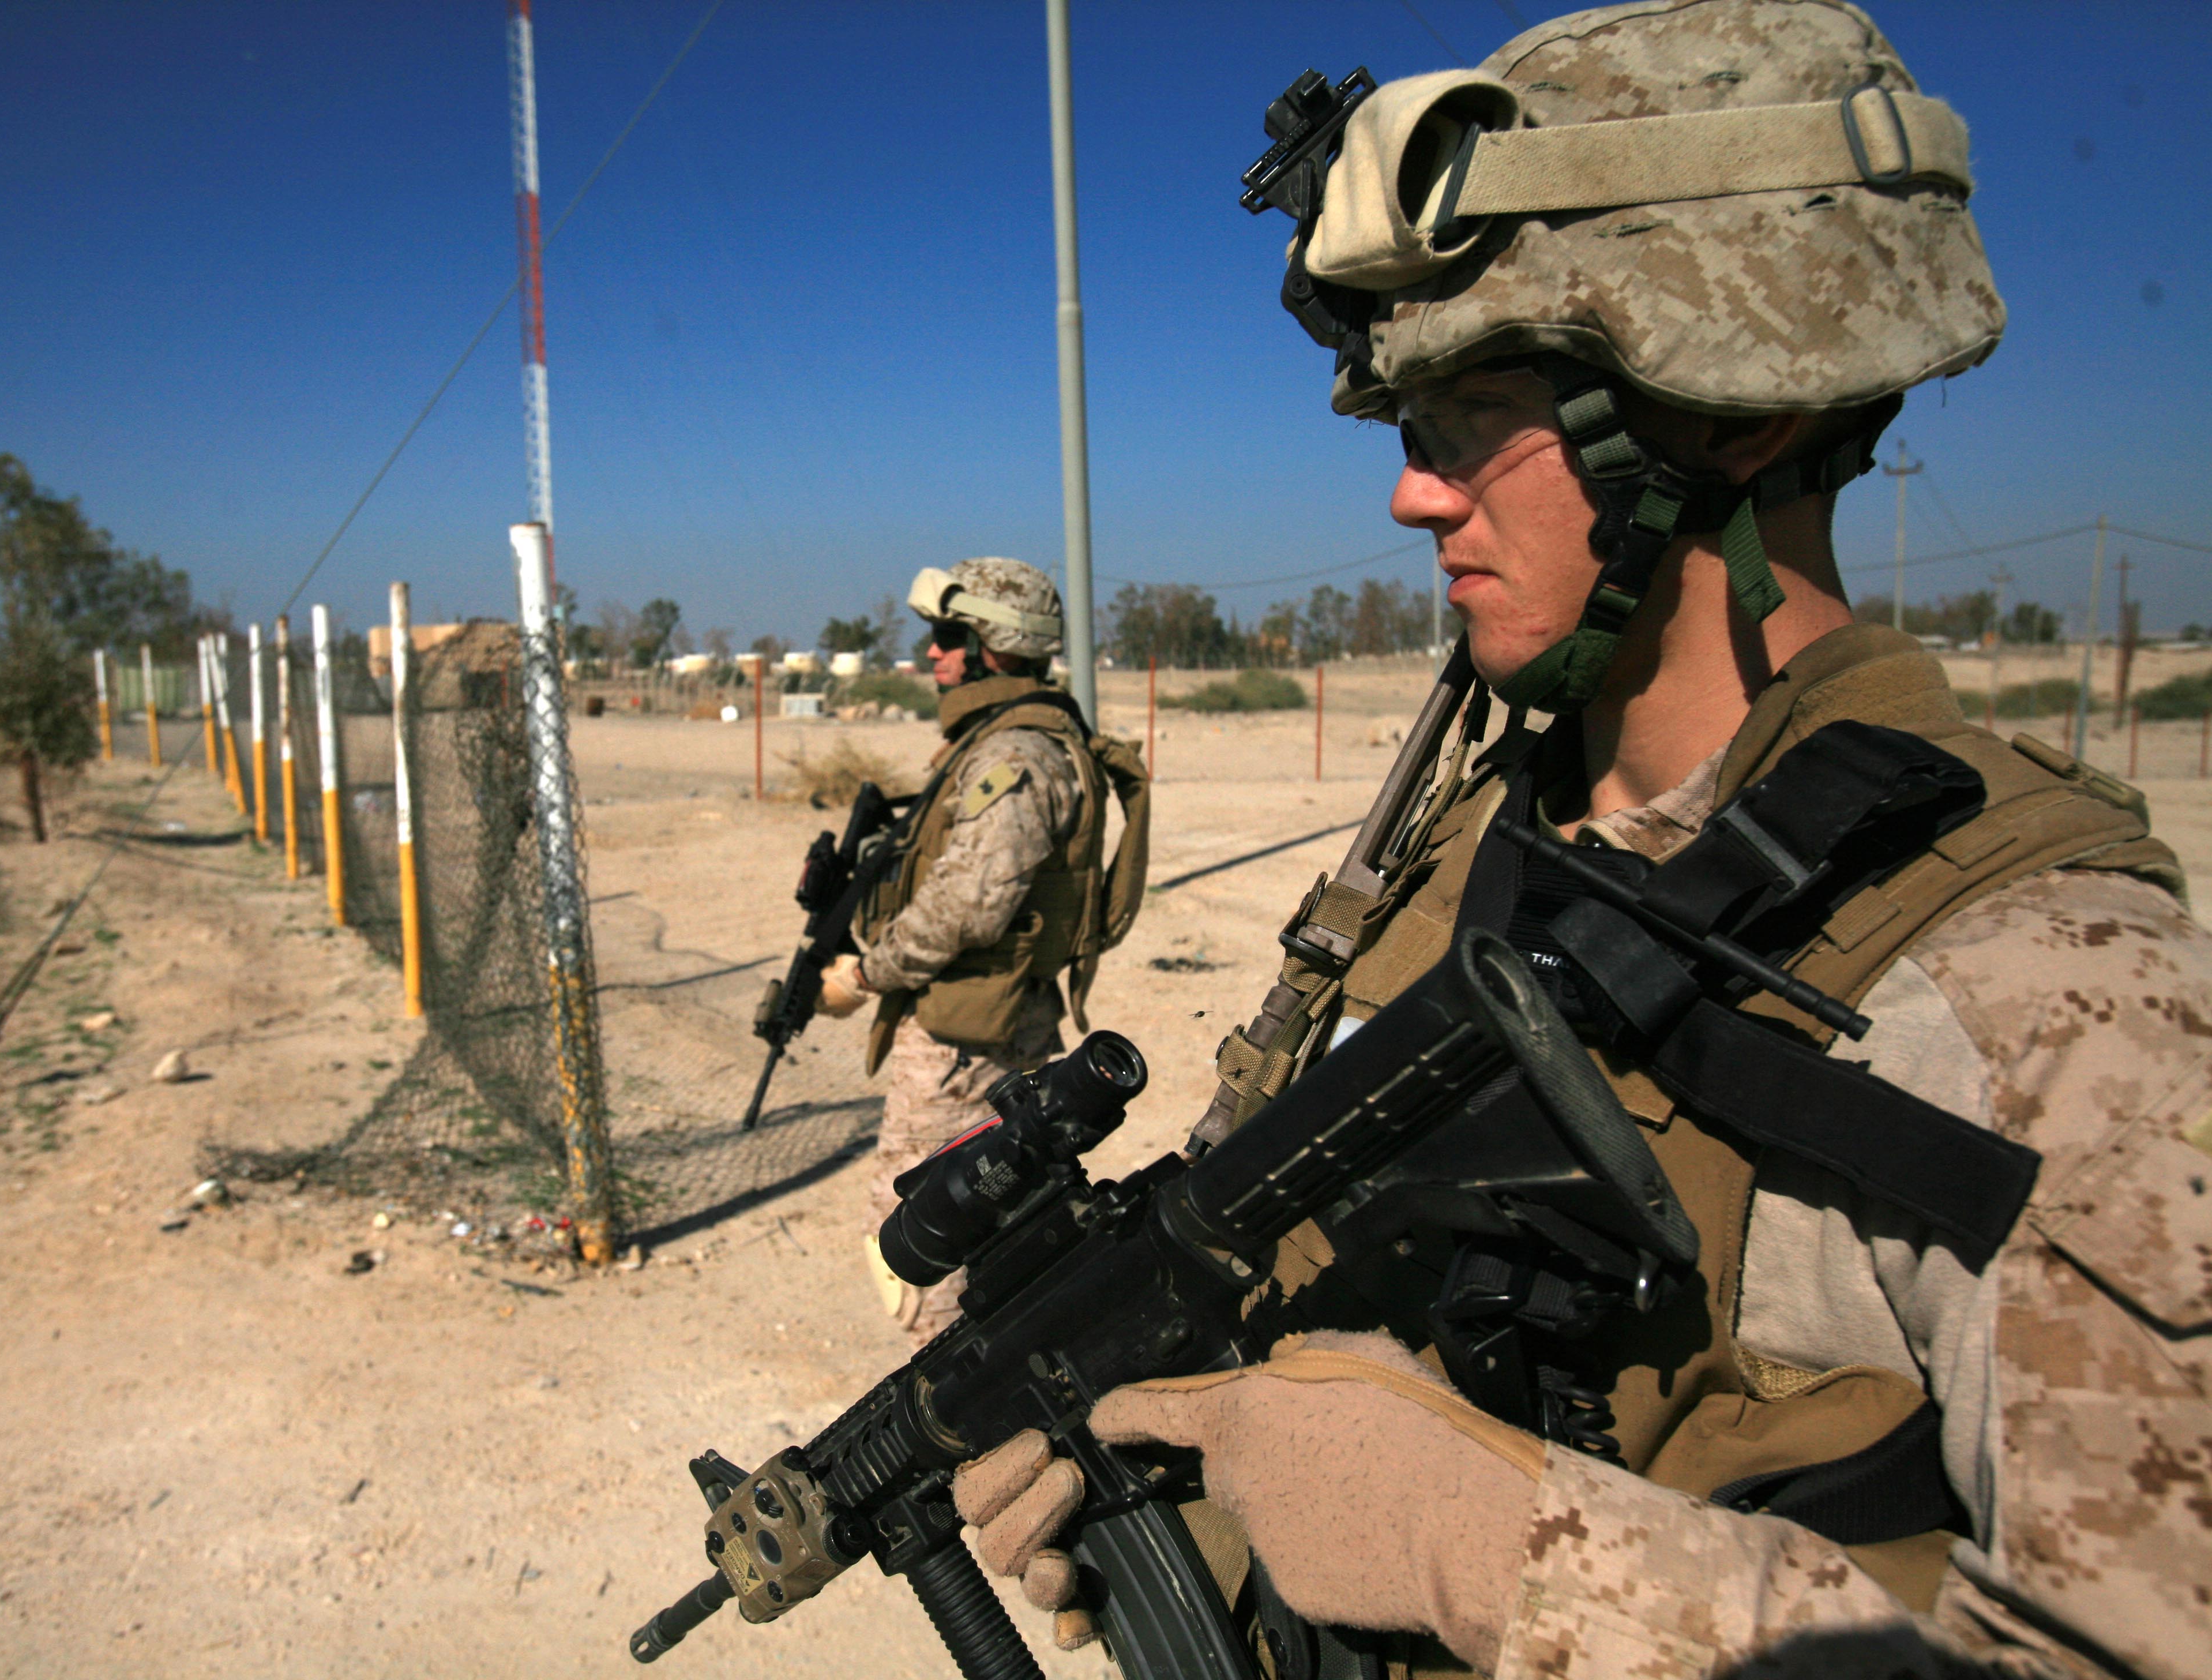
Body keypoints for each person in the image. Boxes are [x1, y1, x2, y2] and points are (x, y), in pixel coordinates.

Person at [952, 3, 2212, 1677]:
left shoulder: (2047, 995)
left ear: (1735, 413)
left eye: (1475, 416)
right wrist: (1207, 1468)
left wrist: (1492, 1547)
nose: (1413, 495)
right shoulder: (1469, 837)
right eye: (1409, 433)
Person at [819, 558, 1148, 1340]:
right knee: (1000, 1224)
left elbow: (967, 906)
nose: (933, 653)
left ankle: (948, 1390)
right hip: (998, 1022)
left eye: (947, 636)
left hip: (966, 1042)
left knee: (922, 1236)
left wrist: (864, 975)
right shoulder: (1016, 740)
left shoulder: (1017, 755)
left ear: (992, 646)